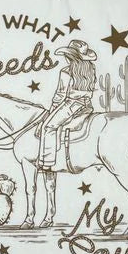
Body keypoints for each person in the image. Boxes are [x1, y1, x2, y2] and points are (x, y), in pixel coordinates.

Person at [38, 39, 97, 170]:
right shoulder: (91, 69)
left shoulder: (66, 71)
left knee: (48, 127)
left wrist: (52, 109)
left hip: (71, 105)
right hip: (87, 105)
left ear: (70, 56)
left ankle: (47, 163)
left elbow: (60, 94)